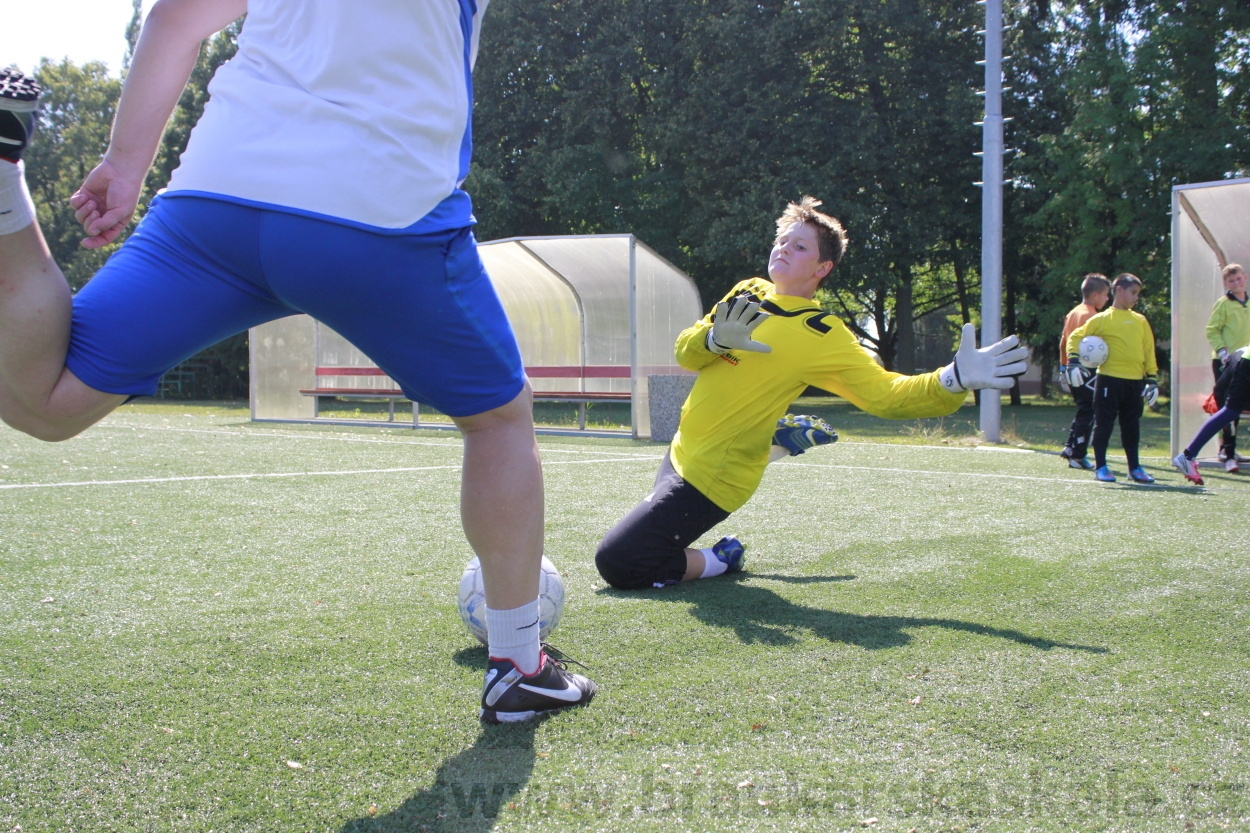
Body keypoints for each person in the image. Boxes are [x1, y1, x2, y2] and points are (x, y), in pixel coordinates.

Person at [0, 0, 594, 724]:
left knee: (46, 401)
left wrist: (125, 167)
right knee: (500, 421)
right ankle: (520, 667)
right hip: (380, 207)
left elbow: (175, 17)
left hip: (218, 195)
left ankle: (5, 191)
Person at [594, 197, 1030, 590]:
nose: (783, 248)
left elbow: (886, 394)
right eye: (782, 240)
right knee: (645, 543)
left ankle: (721, 558)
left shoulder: (821, 333)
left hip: (713, 478)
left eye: (799, 246)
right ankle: (767, 438)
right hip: (680, 451)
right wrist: (713, 340)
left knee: (620, 561)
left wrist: (951, 379)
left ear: (822, 268)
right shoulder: (748, 291)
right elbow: (686, 353)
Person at [1065, 273, 1158, 484]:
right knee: (1104, 424)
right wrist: (1073, 361)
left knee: (1131, 425)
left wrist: (1151, 379)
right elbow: (1075, 337)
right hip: (1109, 380)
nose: (1136, 298)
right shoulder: (1102, 319)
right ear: (1119, 290)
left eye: (1138, 294)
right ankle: (1102, 467)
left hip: (1135, 382)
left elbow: (1149, 351)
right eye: (1133, 293)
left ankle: (1134, 468)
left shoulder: (1140, 321)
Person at [1173, 347, 1250, 486]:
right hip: (1246, 361)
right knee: (1230, 410)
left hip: (1240, 354)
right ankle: (1187, 456)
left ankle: (1188, 456)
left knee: (1229, 410)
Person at [1058, 273, 1111, 470]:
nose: (1107, 299)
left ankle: (1070, 447)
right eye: (1106, 295)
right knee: (1090, 410)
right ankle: (1078, 455)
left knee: (1083, 408)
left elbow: (1064, 341)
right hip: (1086, 370)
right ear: (1095, 295)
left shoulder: (1073, 313)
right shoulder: (1091, 315)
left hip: (1072, 368)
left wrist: (1063, 367)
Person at [1204, 263, 1250, 473]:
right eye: (1231, 281)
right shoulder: (1223, 304)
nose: (1236, 283)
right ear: (1226, 284)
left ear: (1245, 278)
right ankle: (1228, 454)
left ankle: (1229, 449)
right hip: (1227, 364)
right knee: (1229, 407)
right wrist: (1222, 351)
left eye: (1238, 279)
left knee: (1240, 406)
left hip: (1246, 363)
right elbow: (1212, 329)